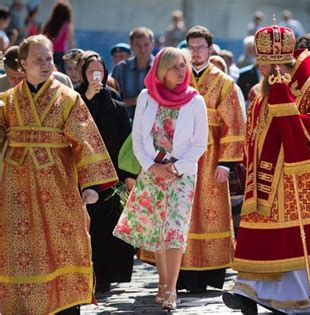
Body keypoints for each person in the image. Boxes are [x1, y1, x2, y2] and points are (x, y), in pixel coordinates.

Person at [223, 23, 310, 314]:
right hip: (265, 181)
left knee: (296, 242)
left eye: (266, 65)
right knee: (261, 237)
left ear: (282, 63)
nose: (261, 70)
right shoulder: (260, 93)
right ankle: (248, 291)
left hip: (303, 181)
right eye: (260, 64)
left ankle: (297, 298)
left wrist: (287, 107)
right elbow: (255, 132)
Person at [0, 34, 117, 315]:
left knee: (65, 241)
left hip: (58, 183)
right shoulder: (6, 100)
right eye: (38, 59)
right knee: (20, 245)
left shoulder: (68, 98)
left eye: (49, 58)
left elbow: (85, 139)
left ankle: (64, 306)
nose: (45, 64)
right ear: (23, 63)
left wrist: (91, 185)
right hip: (16, 185)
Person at [113, 47, 208, 311]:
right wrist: (153, 167)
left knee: (175, 229)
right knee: (157, 229)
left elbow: (200, 143)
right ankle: (162, 282)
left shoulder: (195, 100)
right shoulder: (146, 97)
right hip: (152, 172)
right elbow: (139, 138)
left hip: (182, 175)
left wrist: (177, 167)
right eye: (175, 66)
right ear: (162, 69)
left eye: (183, 66)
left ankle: (172, 289)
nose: (181, 71)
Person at [176, 25, 245, 293]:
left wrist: (226, 164)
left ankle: (211, 273)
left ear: (210, 49)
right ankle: (181, 274)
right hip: (180, 157)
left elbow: (234, 125)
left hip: (212, 156)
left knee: (210, 212)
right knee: (182, 212)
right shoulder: (176, 76)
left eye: (200, 47)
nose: (195, 53)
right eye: (191, 48)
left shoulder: (224, 82)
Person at [75, 52, 135, 293]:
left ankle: (109, 275)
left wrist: (128, 173)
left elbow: (125, 136)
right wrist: (87, 99)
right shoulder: (76, 98)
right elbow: (74, 127)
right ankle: (86, 275)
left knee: (110, 226)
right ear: (83, 74)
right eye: (90, 71)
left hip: (112, 174)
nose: (94, 75)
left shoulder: (114, 100)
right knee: (89, 226)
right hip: (84, 173)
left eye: (99, 71)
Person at [111, 26, 154, 120]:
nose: (142, 49)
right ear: (131, 45)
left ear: (152, 44)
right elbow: (111, 102)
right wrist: (134, 101)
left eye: (146, 44)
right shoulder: (120, 69)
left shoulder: (160, 68)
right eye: (138, 45)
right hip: (126, 125)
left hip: (154, 126)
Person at [0, 45, 73, 92]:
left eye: (21, 77)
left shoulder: (61, 81)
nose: (16, 82)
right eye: (12, 77)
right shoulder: (1, 84)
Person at [42, 1, 76, 73]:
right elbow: (71, 43)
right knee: (60, 77)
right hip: (60, 55)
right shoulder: (67, 25)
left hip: (48, 53)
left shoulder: (49, 24)